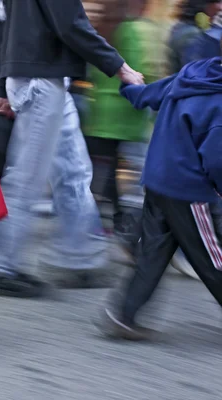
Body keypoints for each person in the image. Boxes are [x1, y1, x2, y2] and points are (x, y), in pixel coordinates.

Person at [0, 0, 144, 297]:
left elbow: (11, 29)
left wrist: (2, 84)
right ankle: (5, 267)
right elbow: (70, 23)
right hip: (43, 79)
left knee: (74, 169)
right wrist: (120, 67)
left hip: (44, 77)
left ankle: (79, 256)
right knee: (28, 176)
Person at [96, 53, 222, 341]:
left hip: (157, 180)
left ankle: (123, 315)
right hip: (190, 191)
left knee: (153, 253)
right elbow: (216, 159)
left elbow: (149, 96)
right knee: (214, 257)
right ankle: (123, 316)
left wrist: (130, 87)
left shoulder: (194, 72)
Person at [85, 0, 164, 247]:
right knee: (127, 166)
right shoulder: (129, 30)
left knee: (104, 168)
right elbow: (138, 69)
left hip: (99, 110)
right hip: (124, 109)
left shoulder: (98, 29)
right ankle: (122, 220)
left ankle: (112, 218)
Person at [168, 0, 222, 74]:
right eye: (216, 2)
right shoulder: (192, 35)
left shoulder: (182, 27)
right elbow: (197, 74)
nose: (220, 7)